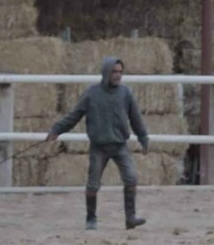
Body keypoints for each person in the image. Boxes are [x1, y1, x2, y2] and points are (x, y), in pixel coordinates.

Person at [47, 56, 149, 230]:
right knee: (93, 184)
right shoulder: (92, 94)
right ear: (106, 72)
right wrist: (57, 130)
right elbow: (74, 115)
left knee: (131, 179)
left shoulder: (126, 93)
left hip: (119, 145)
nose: (117, 75)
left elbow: (135, 118)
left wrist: (143, 137)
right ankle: (91, 218)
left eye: (120, 72)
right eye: (114, 72)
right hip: (99, 147)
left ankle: (130, 217)